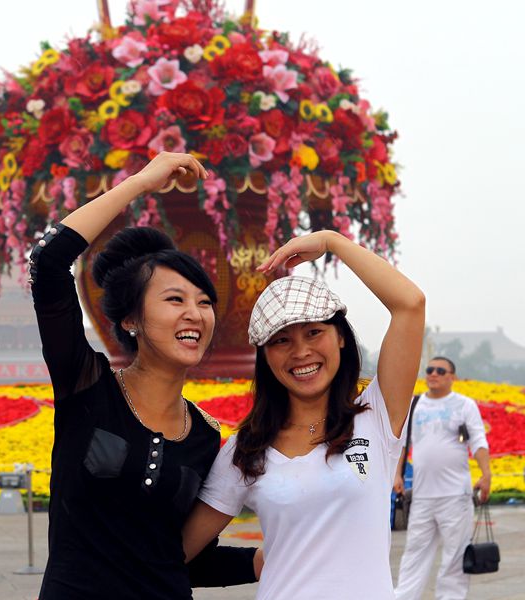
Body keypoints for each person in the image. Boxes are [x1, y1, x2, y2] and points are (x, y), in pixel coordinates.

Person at [30, 152, 259, 599]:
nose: (195, 313)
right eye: (175, 300)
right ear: (131, 319)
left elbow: (179, 556)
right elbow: (48, 263)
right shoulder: (87, 387)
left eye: (205, 301)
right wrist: (140, 183)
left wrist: (265, 560)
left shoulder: (205, 438)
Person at [182, 229, 426, 599]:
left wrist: (332, 242)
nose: (301, 352)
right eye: (281, 340)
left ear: (341, 337)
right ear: (265, 356)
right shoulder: (245, 450)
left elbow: (410, 303)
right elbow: (175, 553)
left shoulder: (376, 415)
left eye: (314, 333)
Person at [393, 356, 491, 600]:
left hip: (455, 495)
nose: (433, 374)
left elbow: (478, 440)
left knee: (455, 556)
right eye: (430, 370)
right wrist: (396, 474)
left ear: (452, 377)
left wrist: (486, 473)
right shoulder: (414, 405)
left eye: (440, 370)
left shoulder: (464, 405)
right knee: (414, 553)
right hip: (424, 495)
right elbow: (402, 445)